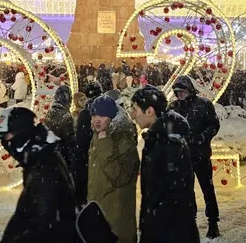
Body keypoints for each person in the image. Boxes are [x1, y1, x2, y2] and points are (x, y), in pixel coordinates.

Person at [0, 107, 78, 242]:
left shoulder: (43, 169)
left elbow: (43, 227)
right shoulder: (37, 158)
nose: (6, 145)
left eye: (6, 138)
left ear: (22, 137)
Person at [131, 85, 199, 243]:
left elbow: (175, 196)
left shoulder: (168, 143)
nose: (133, 115)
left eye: (135, 109)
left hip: (168, 232)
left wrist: (153, 230)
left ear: (149, 111)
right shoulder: (158, 138)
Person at [167, 75, 221, 238]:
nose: (179, 93)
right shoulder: (173, 107)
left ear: (190, 89)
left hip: (201, 155)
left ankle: (213, 222)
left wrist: (202, 138)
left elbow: (213, 125)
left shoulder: (203, 105)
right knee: (185, 192)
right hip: (182, 157)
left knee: (207, 189)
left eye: (182, 90)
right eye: (176, 91)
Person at [87, 95, 139, 243]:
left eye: (102, 115)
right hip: (99, 212)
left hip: (115, 219)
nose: (97, 119)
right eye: (94, 115)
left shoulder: (124, 140)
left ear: (112, 117)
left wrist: (104, 143)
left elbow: (120, 177)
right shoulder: (98, 136)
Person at [73, 80, 103, 204]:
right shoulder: (106, 111)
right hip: (98, 160)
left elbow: (81, 141)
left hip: (86, 160)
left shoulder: (86, 114)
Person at [44, 85, 75, 167]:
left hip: (49, 154)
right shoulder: (66, 115)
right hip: (61, 157)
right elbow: (69, 141)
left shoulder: (50, 112)